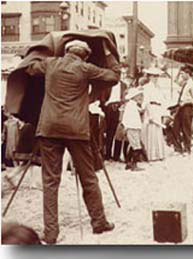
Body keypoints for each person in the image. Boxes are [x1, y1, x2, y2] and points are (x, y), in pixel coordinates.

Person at [25, 39, 120, 244]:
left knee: (50, 182)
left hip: (49, 128)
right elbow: (114, 76)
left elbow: (30, 68)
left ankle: (51, 234)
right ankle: (99, 221)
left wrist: (45, 50)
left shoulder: (51, 63)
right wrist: (108, 52)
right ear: (84, 55)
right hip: (76, 129)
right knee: (88, 177)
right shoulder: (86, 68)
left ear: (67, 51)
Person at [172, 65, 193, 156]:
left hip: (187, 107)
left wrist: (187, 101)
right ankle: (178, 148)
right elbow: (175, 82)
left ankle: (187, 149)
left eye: (183, 74)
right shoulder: (184, 83)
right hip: (180, 107)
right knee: (175, 126)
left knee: (186, 128)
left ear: (188, 74)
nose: (181, 76)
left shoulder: (192, 84)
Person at [142, 67, 167, 161]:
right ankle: (150, 155)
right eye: (154, 76)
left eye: (157, 76)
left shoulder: (158, 88)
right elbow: (146, 101)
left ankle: (158, 154)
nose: (156, 78)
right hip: (151, 108)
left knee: (157, 130)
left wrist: (163, 112)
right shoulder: (147, 87)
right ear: (150, 77)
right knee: (151, 130)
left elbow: (162, 100)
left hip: (157, 109)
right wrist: (149, 113)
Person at [122, 88, 145, 171]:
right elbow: (127, 118)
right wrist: (126, 127)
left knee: (133, 146)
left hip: (134, 127)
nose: (140, 97)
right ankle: (134, 165)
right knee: (137, 147)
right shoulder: (131, 105)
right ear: (133, 97)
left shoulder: (132, 105)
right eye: (138, 96)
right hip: (132, 127)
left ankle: (128, 163)